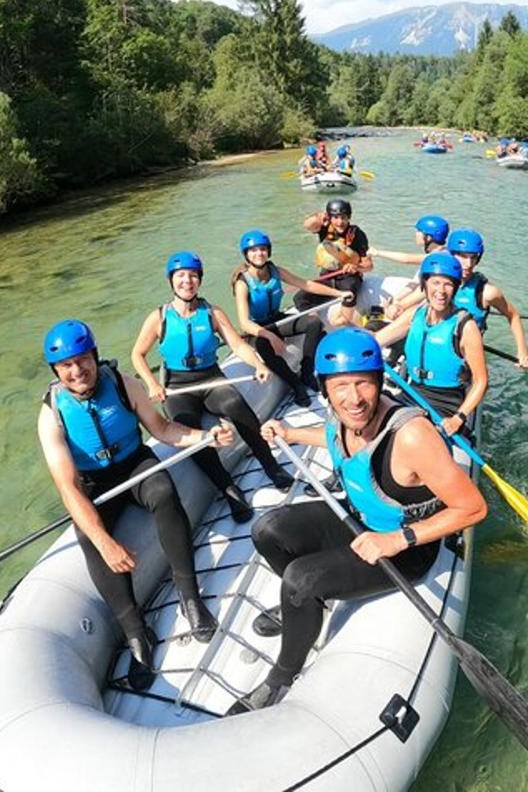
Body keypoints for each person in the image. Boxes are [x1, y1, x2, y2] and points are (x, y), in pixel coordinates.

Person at [228, 328, 488, 714]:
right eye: (341, 386)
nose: (354, 398)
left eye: (364, 384)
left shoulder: (412, 437)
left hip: (404, 548)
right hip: (360, 519)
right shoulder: (342, 417)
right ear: (325, 389)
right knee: (267, 530)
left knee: (300, 579)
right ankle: (304, 608)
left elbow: (473, 508)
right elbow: (332, 435)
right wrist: (291, 432)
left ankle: (281, 676)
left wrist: (400, 539)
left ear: (379, 383)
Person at [39, 320, 229, 691]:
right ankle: (136, 633)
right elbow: (67, 486)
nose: (77, 371)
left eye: (83, 360)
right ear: (56, 372)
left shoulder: (123, 383)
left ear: (94, 357)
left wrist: (205, 437)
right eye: (67, 366)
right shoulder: (51, 414)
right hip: (93, 481)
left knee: (163, 492)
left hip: (134, 461)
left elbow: (162, 430)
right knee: (88, 536)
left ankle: (190, 598)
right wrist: (104, 541)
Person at [132, 251, 295, 525]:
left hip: (210, 378)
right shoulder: (159, 317)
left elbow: (237, 344)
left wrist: (257, 364)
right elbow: (138, 354)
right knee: (191, 431)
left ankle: (271, 464)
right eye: (181, 276)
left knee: (235, 405)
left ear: (200, 280)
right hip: (177, 386)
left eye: (193, 276)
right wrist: (151, 383)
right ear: (171, 281)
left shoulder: (212, 312)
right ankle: (229, 489)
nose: (187, 281)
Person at [384, 228, 528, 370]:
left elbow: (513, 315)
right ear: (451, 255)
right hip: (434, 343)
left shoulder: (487, 292)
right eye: (462, 256)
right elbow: (404, 305)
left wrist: (522, 352)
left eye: (473, 258)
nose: (468, 264)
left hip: (463, 353)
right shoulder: (438, 285)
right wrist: (394, 307)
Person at [231, 229, 350, 405]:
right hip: (258, 328)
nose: (259, 254)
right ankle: (296, 385)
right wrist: (270, 336)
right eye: (253, 250)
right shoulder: (242, 283)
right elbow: (244, 323)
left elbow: (307, 285)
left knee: (314, 323)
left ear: (268, 251)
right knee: (264, 347)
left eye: (262, 249)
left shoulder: (276, 271)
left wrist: (339, 293)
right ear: (246, 255)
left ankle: (307, 372)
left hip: (277, 319)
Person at [374, 252, 488, 435]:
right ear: (424, 284)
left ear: (455, 288)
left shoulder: (466, 327)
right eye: (435, 283)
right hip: (412, 391)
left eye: (448, 284)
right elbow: (378, 339)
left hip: (445, 404)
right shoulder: (415, 314)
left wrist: (458, 417)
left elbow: (481, 381)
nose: (441, 291)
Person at [295, 198, 372, 325]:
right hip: (327, 277)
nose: (340, 222)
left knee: (349, 291)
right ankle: (314, 322)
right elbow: (308, 225)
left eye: (343, 217)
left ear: (349, 218)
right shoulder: (324, 229)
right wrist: (319, 217)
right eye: (335, 218)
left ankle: (343, 320)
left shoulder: (357, 234)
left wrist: (356, 267)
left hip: (349, 278)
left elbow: (369, 265)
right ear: (329, 218)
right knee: (300, 298)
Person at [370, 214, 450, 268]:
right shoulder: (444, 251)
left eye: (419, 231)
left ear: (429, 237)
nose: (416, 234)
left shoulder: (438, 256)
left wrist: (377, 252)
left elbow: (406, 259)